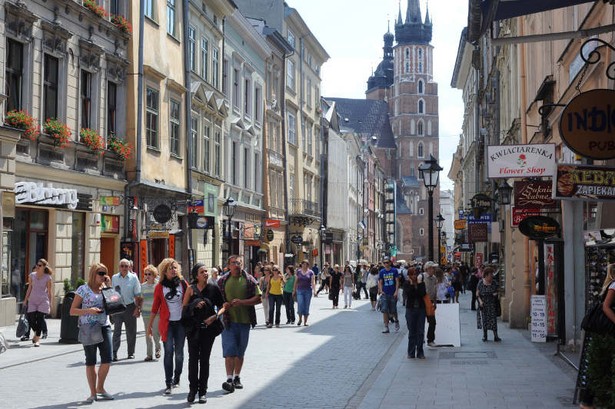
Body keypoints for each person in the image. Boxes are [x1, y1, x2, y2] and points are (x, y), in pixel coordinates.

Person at [70, 263, 114, 403]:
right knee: (91, 360)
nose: (103, 276)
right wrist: (89, 310)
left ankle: (100, 387)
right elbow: (72, 311)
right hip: (88, 327)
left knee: (107, 359)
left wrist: (109, 287)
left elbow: (115, 303)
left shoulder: (105, 289)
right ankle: (93, 392)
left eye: (105, 273)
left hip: (104, 325)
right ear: (93, 274)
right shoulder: (83, 289)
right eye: (100, 273)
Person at [217, 255, 262, 393]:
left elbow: (259, 298)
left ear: (242, 265)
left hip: (244, 320)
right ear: (228, 266)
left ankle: (237, 377)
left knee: (240, 352)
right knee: (229, 351)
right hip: (228, 321)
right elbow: (216, 299)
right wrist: (222, 304)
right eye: (233, 263)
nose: (236, 265)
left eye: (238, 263)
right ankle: (229, 379)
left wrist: (243, 302)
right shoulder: (222, 281)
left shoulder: (249, 280)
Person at [183, 263, 226, 404]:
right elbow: (183, 309)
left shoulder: (213, 288)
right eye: (202, 272)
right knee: (193, 360)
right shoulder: (190, 289)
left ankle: (203, 392)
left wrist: (215, 317)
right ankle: (192, 390)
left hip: (208, 329)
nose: (205, 273)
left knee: (205, 360)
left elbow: (223, 306)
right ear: (196, 275)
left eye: (206, 271)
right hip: (193, 330)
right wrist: (194, 305)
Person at [148, 258, 189, 395]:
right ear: (164, 272)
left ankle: (177, 377)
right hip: (167, 324)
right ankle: (168, 382)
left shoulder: (183, 284)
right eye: (170, 268)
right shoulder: (160, 287)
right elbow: (155, 307)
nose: (173, 270)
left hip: (181, 323)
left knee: (179, 353)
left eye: (175, 267)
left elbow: (190, 298)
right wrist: (149, 325)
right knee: (168, 352)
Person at [579, 264, 615, 409]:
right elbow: (606, 307)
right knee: (603, 363)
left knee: (602, 364)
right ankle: (587, 401)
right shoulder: (614, 285)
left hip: (605, 332)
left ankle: (589, 400)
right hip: (607, 331)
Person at [111, 258, 142, 361]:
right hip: (118, 307)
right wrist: (111, 310)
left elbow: (138, 295)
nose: (124, 268)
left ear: (129, 267)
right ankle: (114, 352)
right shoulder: (114, 277)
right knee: (116, 331)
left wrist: (137, 308)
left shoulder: (133, 278)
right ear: (119, 267)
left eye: (126, 266)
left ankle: (131, 352)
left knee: (131, 331)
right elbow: (112, 293)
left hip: (130, 307)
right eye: (122, 266)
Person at [23, 259, 53, 347]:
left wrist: (50, 303)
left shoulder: (48, 277)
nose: (37, 267)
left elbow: (49, 291)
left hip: (43, 300)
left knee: (40, 319)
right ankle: (37, 334)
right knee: (31, 319)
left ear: (44, 267)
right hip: (32, 300)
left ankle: (37, 340)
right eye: (37, 265)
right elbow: (29, 288)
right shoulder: (32, 276)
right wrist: (25, 299)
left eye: (40, 265)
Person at [402, 267, 427, 359]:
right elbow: (409, 295)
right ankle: (411, 352)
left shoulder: (422, 284)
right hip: (410, 310)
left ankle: (420, 352)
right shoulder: (406, 284)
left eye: (415, 274)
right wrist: (412, 285)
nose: (414, 276)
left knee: (420, 331)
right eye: (412, 274)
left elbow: (422, 294)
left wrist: (419, 284)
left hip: (421, 310)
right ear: (409, 275)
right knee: (412, 331)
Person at [141, 264, 161, 362]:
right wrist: (138, 308)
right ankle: (149, 354)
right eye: (146, 274)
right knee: (148, 333)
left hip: (157, 313)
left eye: (150, 274)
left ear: (154, 275)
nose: (147, 276)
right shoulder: (142, 286)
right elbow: (141, 299)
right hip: (145, 313)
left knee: (156, 332)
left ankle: (158, 349)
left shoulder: (158, 285)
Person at [476, 266, 501, 342]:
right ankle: (485, 335)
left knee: (493, 320)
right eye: (490, 275)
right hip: (484, 304)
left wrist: (496, 294)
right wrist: (480, 301)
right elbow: (477, 294)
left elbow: (499, 291)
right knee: (485, 320)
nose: (492, 276)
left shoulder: (494, 283)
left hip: (492, 304)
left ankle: (495, 335)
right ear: (486, 275)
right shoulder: (480, 283)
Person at [378, 258, 400, 333]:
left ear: (390, 263)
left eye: (387, 262)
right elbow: (380, 282)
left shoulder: (394, 270)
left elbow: (397, 281)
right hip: (385, 293)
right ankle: (386, 326)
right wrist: (381, 290)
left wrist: (396, 291)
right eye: (384, 263)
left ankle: (396, 320)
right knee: (384, 310)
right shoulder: (382, 272)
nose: (386, 264)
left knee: (393, 310)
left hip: (392, 293)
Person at [293, 260, 316, 325]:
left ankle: (305, 321)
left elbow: (313, 281)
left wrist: (315, 291)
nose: (304, 266)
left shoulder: (311, 272)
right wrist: (294, 290)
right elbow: (295, 281)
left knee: (306, 305)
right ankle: (300, 319)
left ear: (308, 265)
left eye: (306, 264)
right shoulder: (298, 272)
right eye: (303, 264)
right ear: (301, 265)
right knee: (300, 304)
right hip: (299, 290)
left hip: (308, 291)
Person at [422, 261, 438, 346]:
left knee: (432, 322)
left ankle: (430, 340)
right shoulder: (421, 277)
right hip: (423, 301)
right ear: (427, 269)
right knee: (421, 321)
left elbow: (435, 291)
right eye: (432, 268)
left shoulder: (434, 278)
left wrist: (435, 302)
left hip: (431, 302)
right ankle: (421, 338)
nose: (434, 270)